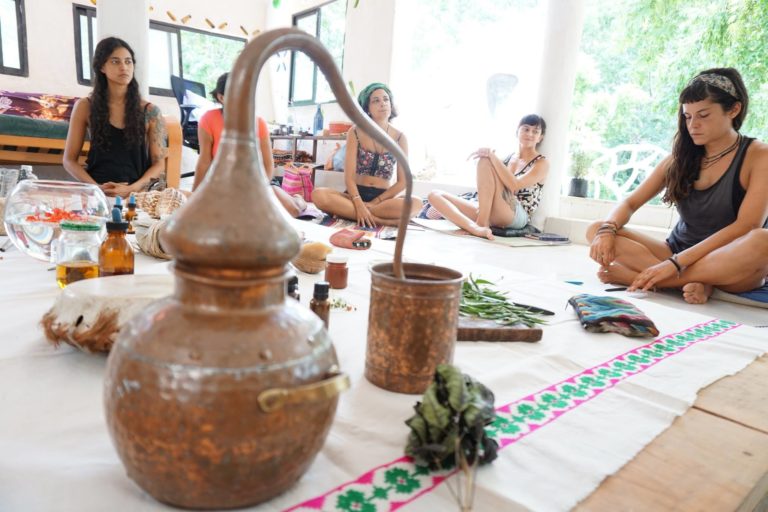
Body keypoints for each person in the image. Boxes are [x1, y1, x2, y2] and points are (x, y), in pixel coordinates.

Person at [587, 68, 768, 304]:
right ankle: (698, 282)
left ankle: (653, 278)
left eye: (703, 115)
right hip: (675, 251)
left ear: (734, 109)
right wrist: (607, 230)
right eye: (688, 116)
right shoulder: (680, 157)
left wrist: (674, 265)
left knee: (763, 240)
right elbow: (630, 203)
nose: (693, 125)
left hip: (730, 259)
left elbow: (746, 226)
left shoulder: (759, 156)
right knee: (596, 229)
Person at [64, 37, 167, 198]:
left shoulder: (151, 111)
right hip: (96, 192)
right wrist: (95, 188)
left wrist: (131, 189)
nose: (124, 67)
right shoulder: (85, 106)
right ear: (102, 67)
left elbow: (159, 164)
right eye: (115, 62)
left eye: (128, 62)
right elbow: (69, 160)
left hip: (136, 193)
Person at [192, 72, 305, 217]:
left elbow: (268, 164)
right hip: (224, 183)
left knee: (292, 211)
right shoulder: (208, 119)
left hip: (258, 182)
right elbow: (204, 161)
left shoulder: (258, 122)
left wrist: (259, 190)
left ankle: (297, 198)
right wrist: (195, 194)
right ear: (221, 97)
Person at [311, 83, 421, 227]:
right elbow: (349, 177)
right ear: (367, 108)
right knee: (319, 195)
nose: (382, 104)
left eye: (386, 99)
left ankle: (355, 213)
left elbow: (403, 182)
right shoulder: (355, 132)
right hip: (355, 195)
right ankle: (378, 220)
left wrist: (373, 203)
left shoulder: (400, 138)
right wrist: (358, 202)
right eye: (376, 100)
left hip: (384, 199)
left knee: (416, 203)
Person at [427, 114, 549, 240]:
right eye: (526, 129)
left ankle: (481, 223)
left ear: (540, 138)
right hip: (491, 210)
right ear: (517, 131)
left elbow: (514, 185)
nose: (530, 134)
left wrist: (491, 156)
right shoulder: (507, 159)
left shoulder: (541, 163)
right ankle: (474, 228)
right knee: (434, 195)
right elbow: (489, 185)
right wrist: (491, 157)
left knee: (485, 160)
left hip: (516, 214)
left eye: (535, 131)